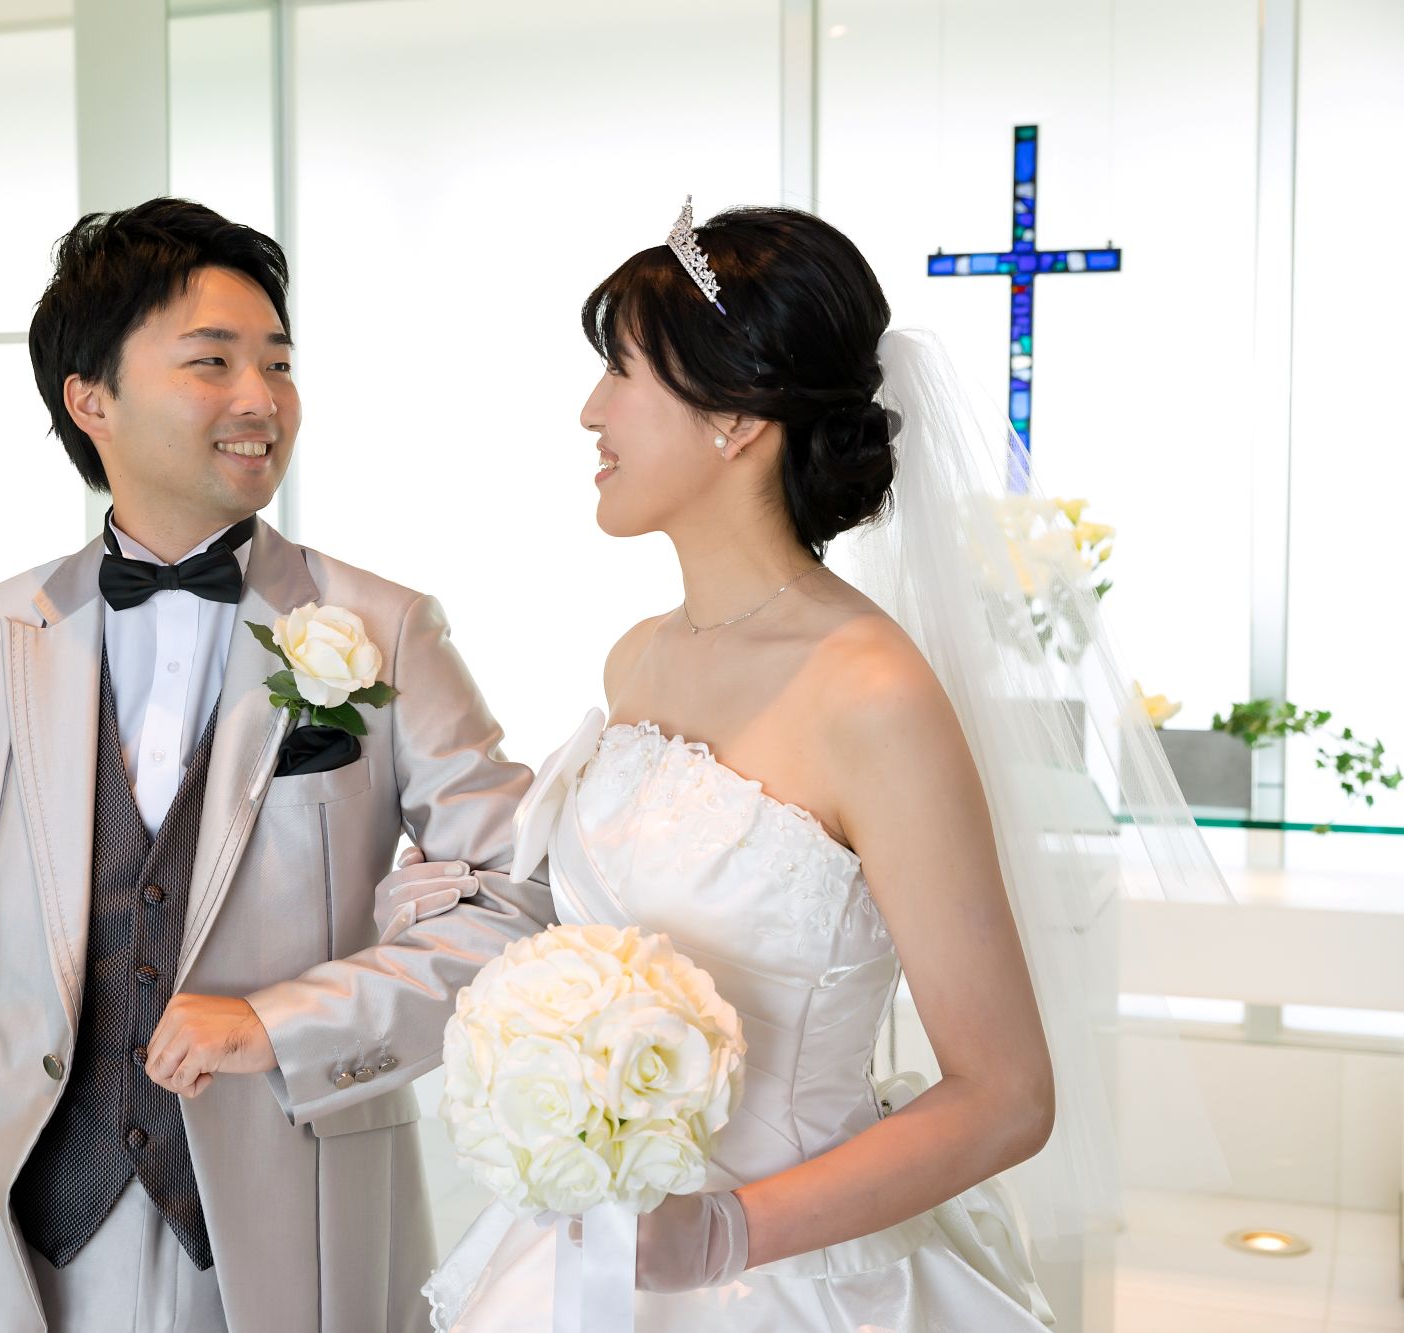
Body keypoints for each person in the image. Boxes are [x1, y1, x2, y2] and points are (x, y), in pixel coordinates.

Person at [0, 197, 551, 1333]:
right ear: (91, 400)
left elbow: (519, 906)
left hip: (291, 1218)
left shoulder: (383, 627)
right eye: (211, 361)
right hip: (27, 1236)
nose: (260, 399)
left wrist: (287, 1021)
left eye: (278, 363)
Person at [421, 202, 1121, 1329]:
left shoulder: (871, 696)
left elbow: (1005, 1096)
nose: (590, 410)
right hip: (590, 1255)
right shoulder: (636, 658)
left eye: (621, 371)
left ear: (737, 416)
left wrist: (723, 1234)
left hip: (790, 1275)